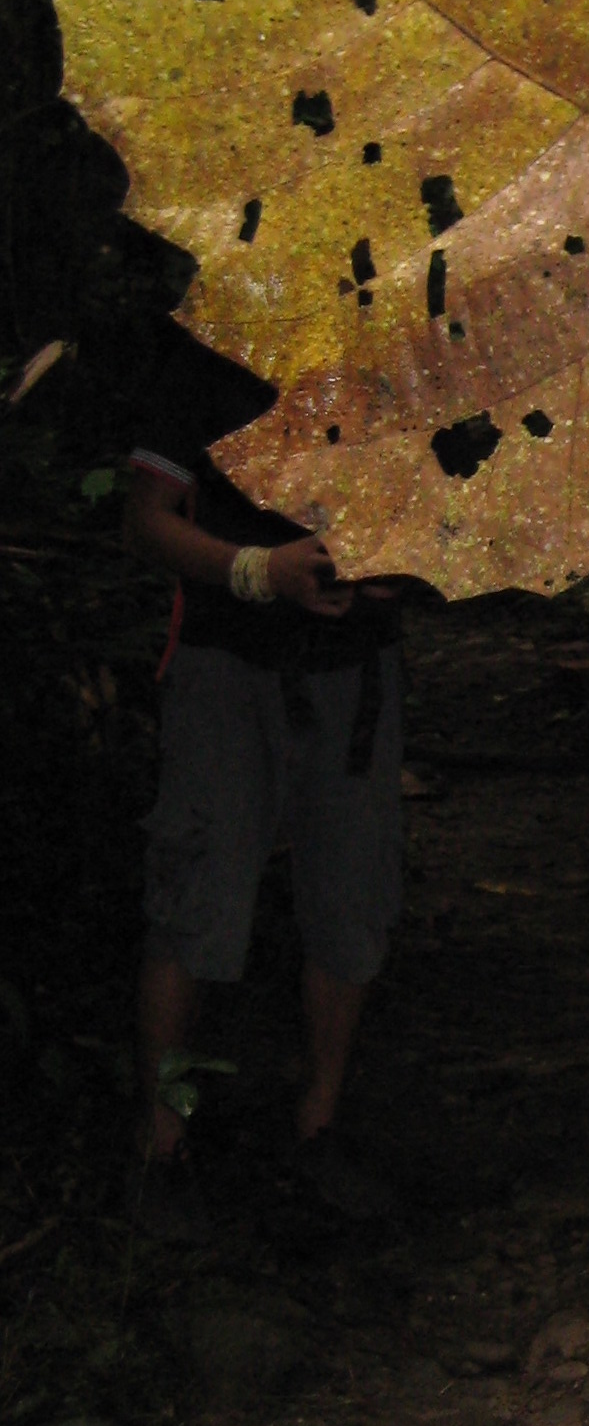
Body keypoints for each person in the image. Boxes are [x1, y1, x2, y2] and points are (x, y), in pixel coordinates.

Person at [123, 330, 404, 1229]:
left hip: (353, 674)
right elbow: (148, 517)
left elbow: (433, 496)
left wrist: (394, 569)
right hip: (222, 666)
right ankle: (164, 1141)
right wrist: (258, 571)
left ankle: (318, 1124)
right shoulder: (204, 344)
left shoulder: (386, 333)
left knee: (351, 897)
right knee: (193, 895)